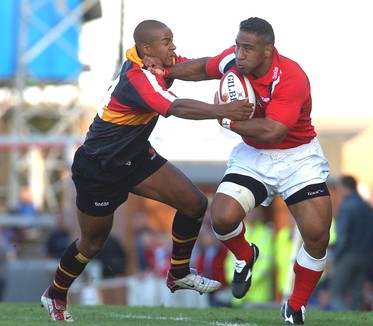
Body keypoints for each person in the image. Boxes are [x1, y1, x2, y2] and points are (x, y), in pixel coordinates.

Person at [40, 19, 254, 322]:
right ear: (147, 49)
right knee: (92, 244)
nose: (174, 47)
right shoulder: (138, 79)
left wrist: (231, 61)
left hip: (135, 157)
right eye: (167, 42)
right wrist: (222, 110)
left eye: (171, 40)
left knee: (194, 203)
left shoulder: (156, 63)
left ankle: (178, 273)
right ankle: (55, 294)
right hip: (101, 167)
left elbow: (195, 67)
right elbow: (176, 107)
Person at [146, 17, 332, 325]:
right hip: (254, 156)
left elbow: (274, 131)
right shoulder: (234, 61)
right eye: (238, 46)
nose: (240, 53)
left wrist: (229, 120)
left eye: (248, 48)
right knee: (222, 217)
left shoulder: (291, 77)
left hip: (297, 158)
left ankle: (295, 306)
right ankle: (245, 255)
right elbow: (203, 67)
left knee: (317, 236)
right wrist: (167, 72)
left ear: (268, 51)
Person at [329, 175, 373, 311]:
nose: (338, 192)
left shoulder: (346, 207)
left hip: (348, 256)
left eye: (339, 188)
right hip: (366, 256)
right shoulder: (369, 208)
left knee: (336, 290)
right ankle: (358, 320)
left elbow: (343, 236)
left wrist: (336, 256)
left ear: (346, 188)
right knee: (357, 294)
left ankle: (344, 320)